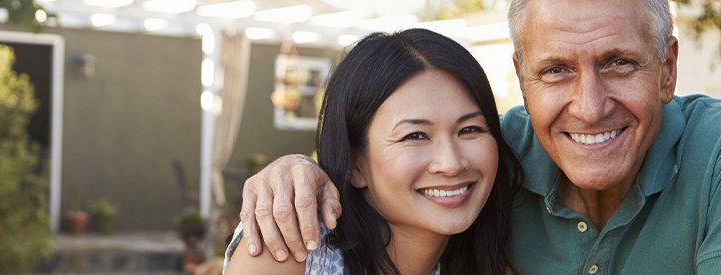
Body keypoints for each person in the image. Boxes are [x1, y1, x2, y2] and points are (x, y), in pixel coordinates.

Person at [237, 0, 721, 274]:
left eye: (617, 63)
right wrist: (298, 169)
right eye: (556, 70)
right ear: (522, 79)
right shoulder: (507, 155)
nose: (589, 108)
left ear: (666, 69)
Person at [223, 28, 523, 274]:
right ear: (354, 164)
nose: (451, 163)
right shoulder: (291, 247)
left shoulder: (491, 262)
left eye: (469, 129)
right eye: (415, 135)